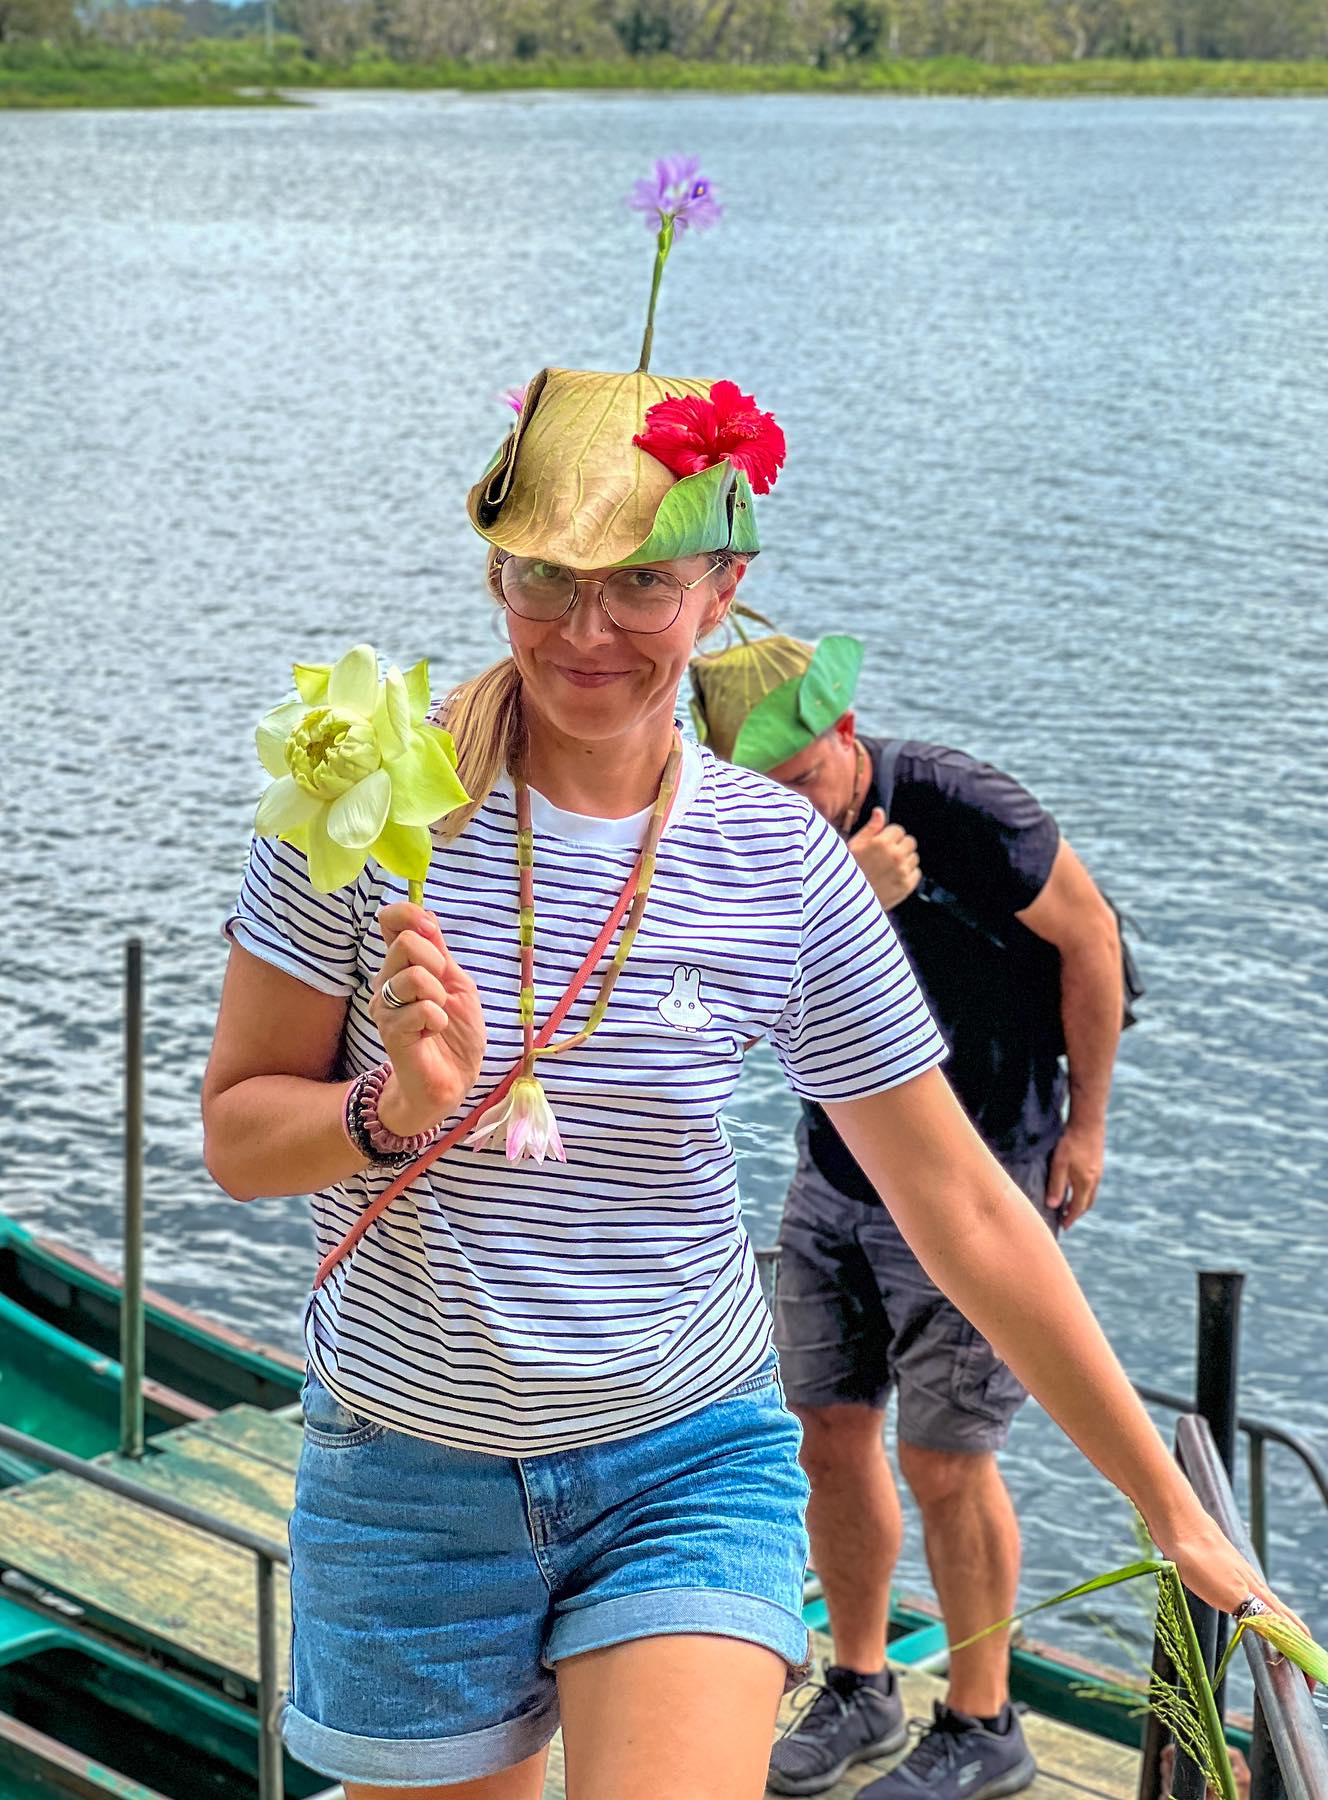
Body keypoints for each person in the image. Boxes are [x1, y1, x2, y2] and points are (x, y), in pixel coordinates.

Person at [201, 173, 1290, 1800]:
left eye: (643, 583)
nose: (589, 629)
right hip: (414, 1474)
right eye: (546, 576)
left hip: (683, 1458)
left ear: (722, 593)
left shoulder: (778, 864)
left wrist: (1170, 1504)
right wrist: (389, 1106)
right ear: (493, 574)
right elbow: (238, 1136)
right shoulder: (364, 804)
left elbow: (963, 1203)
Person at [690, 633, 1126, 1798]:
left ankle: (984, 1723)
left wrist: (1085, 1127)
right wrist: (849, 897)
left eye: (800, 783)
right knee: (827, 1433)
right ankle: (861, 1685)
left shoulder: (964, 806)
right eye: (760, 794)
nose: (785, 811)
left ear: (846, 735)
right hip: (836, 1169)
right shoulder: (751, 839)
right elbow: (731, 1005)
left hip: (982, 1175)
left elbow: (1092, 938)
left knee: (947, 1458)